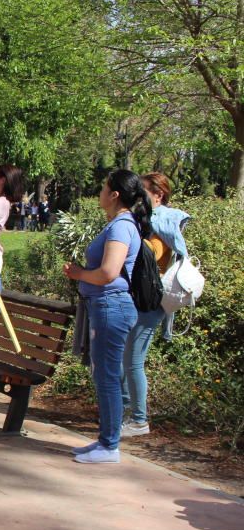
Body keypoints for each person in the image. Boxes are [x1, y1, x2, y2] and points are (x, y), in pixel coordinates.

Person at [64, 169, 151, 464]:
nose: (99, 191)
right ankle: (105, 440)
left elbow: (109, 272)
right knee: (105, 376)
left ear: (114, 194)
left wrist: (79, 273)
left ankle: (110, 445)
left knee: (108, 378)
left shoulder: (121, 227)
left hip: (110, 307)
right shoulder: (118, 224)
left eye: (103, 187)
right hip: (104, 306)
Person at [121, 172, 189, 438]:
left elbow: (154, 253)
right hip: (139, 298)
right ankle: (127, 412)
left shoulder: (161, 224)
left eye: (144, 191)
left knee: (133, 360)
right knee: (125, 360)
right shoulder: (147, 220)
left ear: (158, 195)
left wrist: (125, 238)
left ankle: (138, 419)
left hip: (151, 301)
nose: (138, 196)